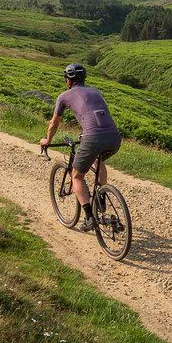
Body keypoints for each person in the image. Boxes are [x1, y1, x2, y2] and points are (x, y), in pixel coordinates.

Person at [40, 63, 121, 231]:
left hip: (93, 138)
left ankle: (90, 217)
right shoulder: (96, 91)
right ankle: (101, 198)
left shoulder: (64, 96)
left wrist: (47, 140)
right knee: (99, 161)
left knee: (77, 176)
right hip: (114, 137)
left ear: (68, 81)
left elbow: (54, 123)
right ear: (84, 79)